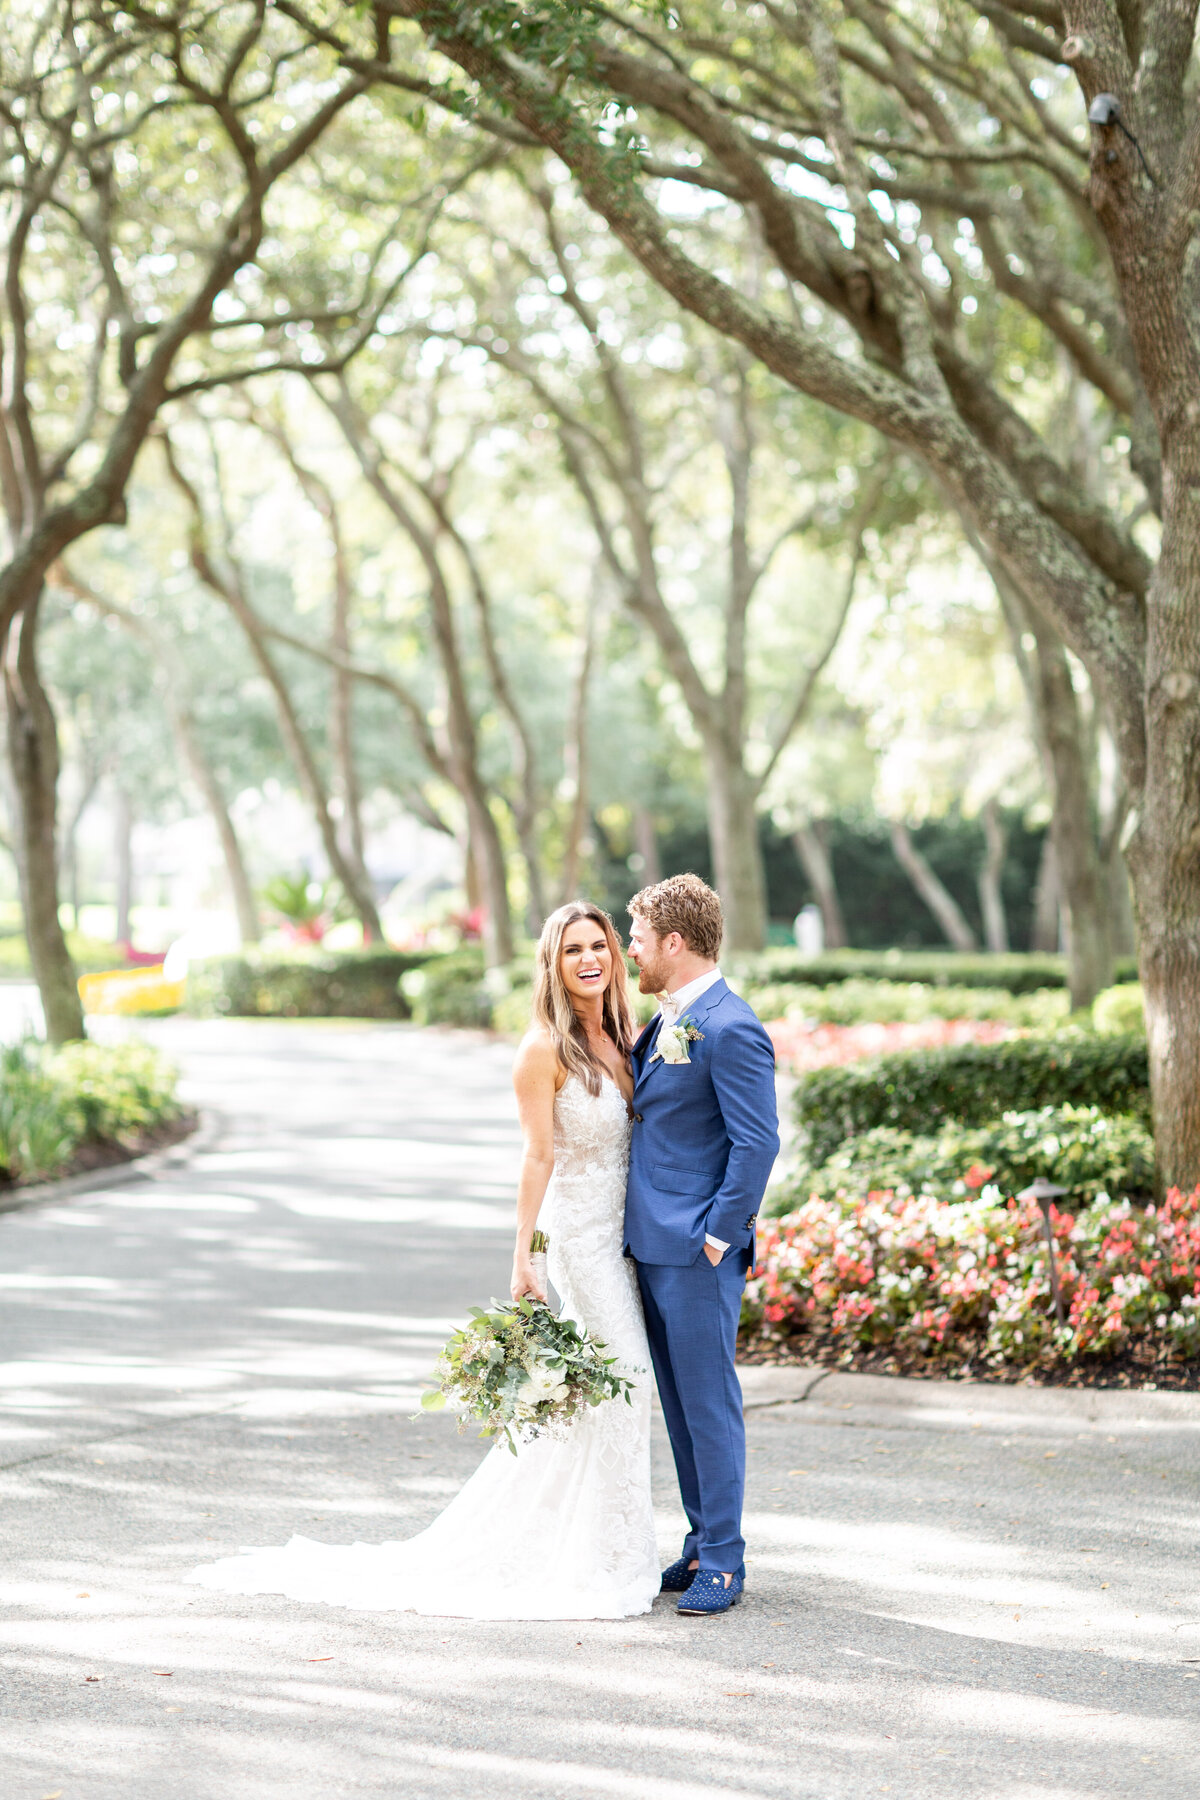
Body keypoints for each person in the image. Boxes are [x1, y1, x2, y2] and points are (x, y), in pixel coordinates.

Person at [190, 901, 660, 1620]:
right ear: (553, 964)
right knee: (626, 1376)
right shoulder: (543, 1050)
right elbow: (537, 1157)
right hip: (579, 1243)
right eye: (573, 950)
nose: (590, 959)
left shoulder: (626, 1035)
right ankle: (603, 1556)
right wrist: (523, 1258)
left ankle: (595, 1541)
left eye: (599, 945)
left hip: (625, 1239)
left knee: (607, 1393)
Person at [625, 874, 780, 1616]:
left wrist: (720, 1235)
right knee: (681, 1409)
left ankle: (725, 1557)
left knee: (709, 1404)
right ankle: (698, 1542)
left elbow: (757, 1142)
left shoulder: (730, 1024)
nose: (631, 952)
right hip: (651, 1246)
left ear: (675, 944)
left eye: (640, 940)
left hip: (695, 1251)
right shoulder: (665, 1020)